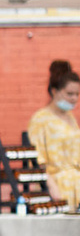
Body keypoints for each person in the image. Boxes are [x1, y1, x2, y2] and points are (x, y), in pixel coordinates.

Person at [30, 60, 80, 206]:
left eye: (77, 94)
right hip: (57, 189)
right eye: (69, 94)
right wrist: (52, 188)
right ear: (54, 91)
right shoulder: (41, 119)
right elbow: (36, 160)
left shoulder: (70, 118)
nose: (74, 98)